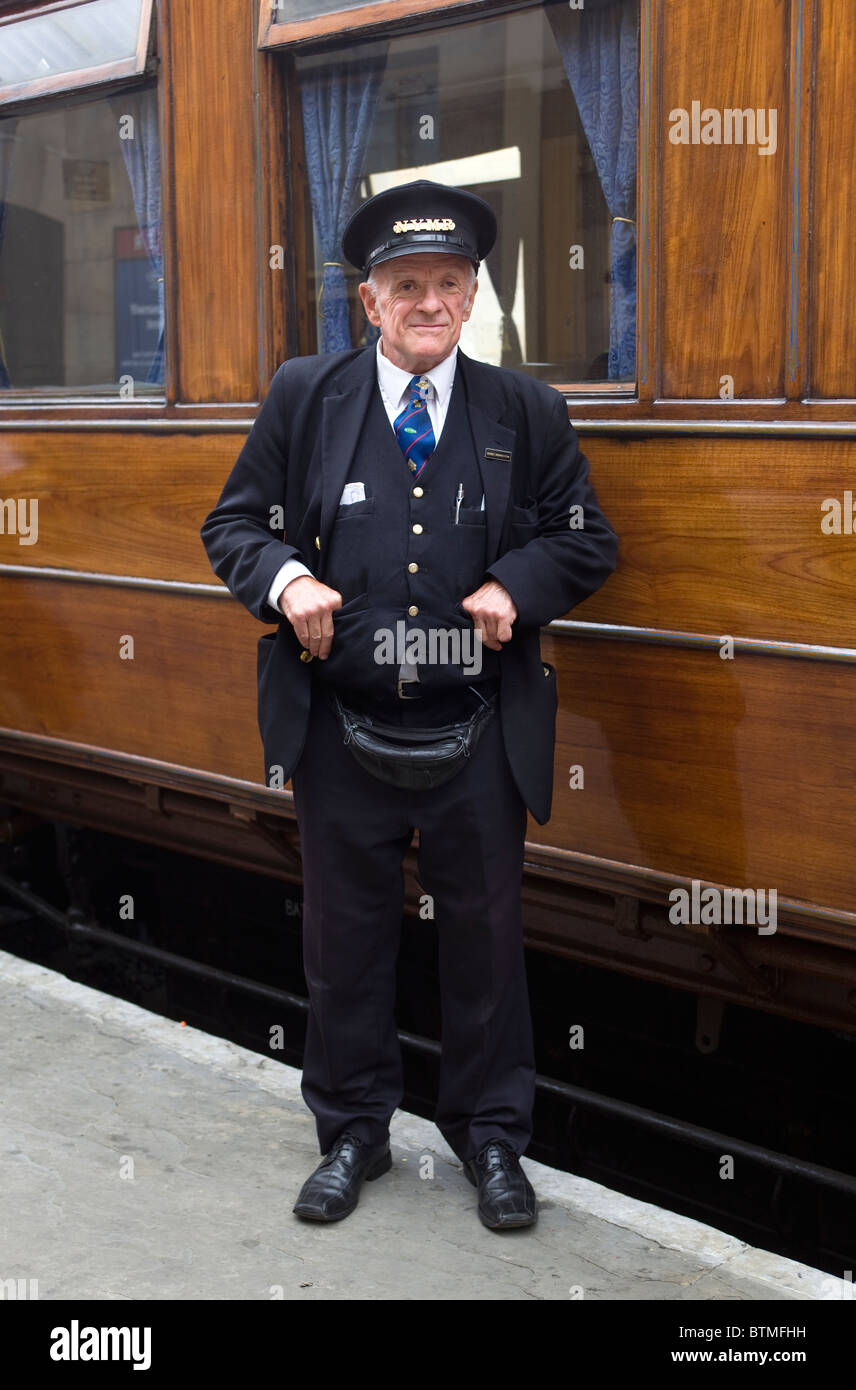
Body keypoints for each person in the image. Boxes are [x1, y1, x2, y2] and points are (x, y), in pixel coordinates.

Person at [201, 179, 618, 1231]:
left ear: (471, 295)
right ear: (369, 302)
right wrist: (287, 581)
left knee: (485, 944)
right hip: (342, 729)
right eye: (403, 286)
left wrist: (515, 587)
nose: (426, 301)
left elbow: (584, 538)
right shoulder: (307, 394)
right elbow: (235, 523)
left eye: (445, 283)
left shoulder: (526, 411)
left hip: (474, 728)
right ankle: (350, 1134)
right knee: (345, 943)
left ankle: (490, 1142)